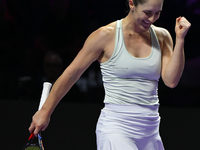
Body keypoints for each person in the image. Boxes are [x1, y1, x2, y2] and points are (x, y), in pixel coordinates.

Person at [29, 0, 191, 149]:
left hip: (151, 132)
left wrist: (180, 39)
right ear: (132, 3)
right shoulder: (105, 35)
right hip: (116, 129)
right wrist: (45, 111)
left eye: (157, 13)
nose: (152, 18)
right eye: (147, 12)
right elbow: (71, 74)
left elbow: (171, 81)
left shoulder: (162, 36)